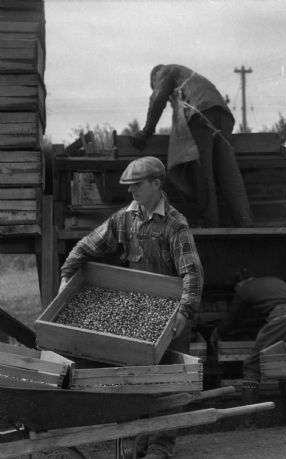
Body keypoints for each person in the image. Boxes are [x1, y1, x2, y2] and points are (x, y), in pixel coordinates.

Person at [59, 156, 204, 459]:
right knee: (137, 380)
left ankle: (161, 445)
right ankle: (139, 440)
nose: (131, 192)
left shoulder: (175, 224)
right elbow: (87, 246)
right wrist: (66, 274)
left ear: (156, 184)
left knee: (168, 381)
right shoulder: (125, 218)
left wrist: (184, 311)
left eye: (136, 185)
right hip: (139, 315)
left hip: (170, 315)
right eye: (129, 187)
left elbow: (192, 272)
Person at [131, 64, 253, 228]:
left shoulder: (164, 71)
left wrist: (146, 132)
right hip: (223, 115)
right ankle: (246, 223)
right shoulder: (188, 76)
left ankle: (211, 225)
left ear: (155, 78)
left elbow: (157, 98)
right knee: (228, 174)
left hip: (201, 113)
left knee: (203, 172)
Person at [212, 269, 286, 407]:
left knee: (252, 365)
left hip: (282, 320)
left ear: (238, 285)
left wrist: (218, 333)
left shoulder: (243, 290)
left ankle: (248, 421)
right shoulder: (272, 281)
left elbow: (231, 320)